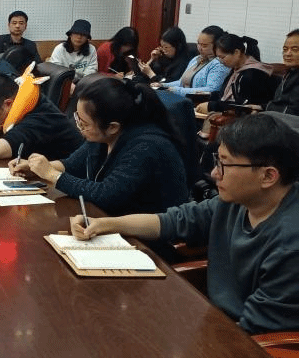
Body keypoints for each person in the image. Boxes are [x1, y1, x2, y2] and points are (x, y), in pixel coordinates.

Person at [70, 113, 299, 334]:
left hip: (247, 345)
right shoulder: (238, 201)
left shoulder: (290, 244)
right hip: (215, 323)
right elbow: (170, 221)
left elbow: (256, 331)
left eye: (225, 165)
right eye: (217, 161)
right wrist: (103, 224)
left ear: (268, 176)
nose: (214, 173)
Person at [11, 78, 188, 216]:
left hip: (147, 239)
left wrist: (51, 174)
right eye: (77, 118)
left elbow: (106, 195)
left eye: (84, 123)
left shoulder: (146, 146)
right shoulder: (103, 136)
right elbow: (72, 165)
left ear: (112, 127)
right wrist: (35, 168)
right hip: (108, 221)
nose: (79, 127)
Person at [0, 72, 81, 159]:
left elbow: (0, 150)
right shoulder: (25, 102)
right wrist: (0, 126)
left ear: (8, 103)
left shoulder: (39, 116)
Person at [197, 33, 277, 114]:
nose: (221, 61)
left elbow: (244, 106)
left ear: (236, 52)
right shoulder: (235, 70)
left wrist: (212, 106)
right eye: (219, 58)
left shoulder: (252, 74)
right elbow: (223, 95)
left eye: (223, 57)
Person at [159, 26, 230, 97]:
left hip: (197, 101)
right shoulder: (196, 59)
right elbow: (181, 82)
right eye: (198, 43)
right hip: (183, 97)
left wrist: (179, 90)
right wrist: (163, 85)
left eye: (204, 46)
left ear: (217, 46)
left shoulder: (219, 64)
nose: (199, 48)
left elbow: (211, 90)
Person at [267, 29, 299, 115]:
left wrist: (265, 110)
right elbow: (281, 104)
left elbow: (293, 112)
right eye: (285, 49)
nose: (287, 54)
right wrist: (261, 107)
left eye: (295, 49)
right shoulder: (291, 72)